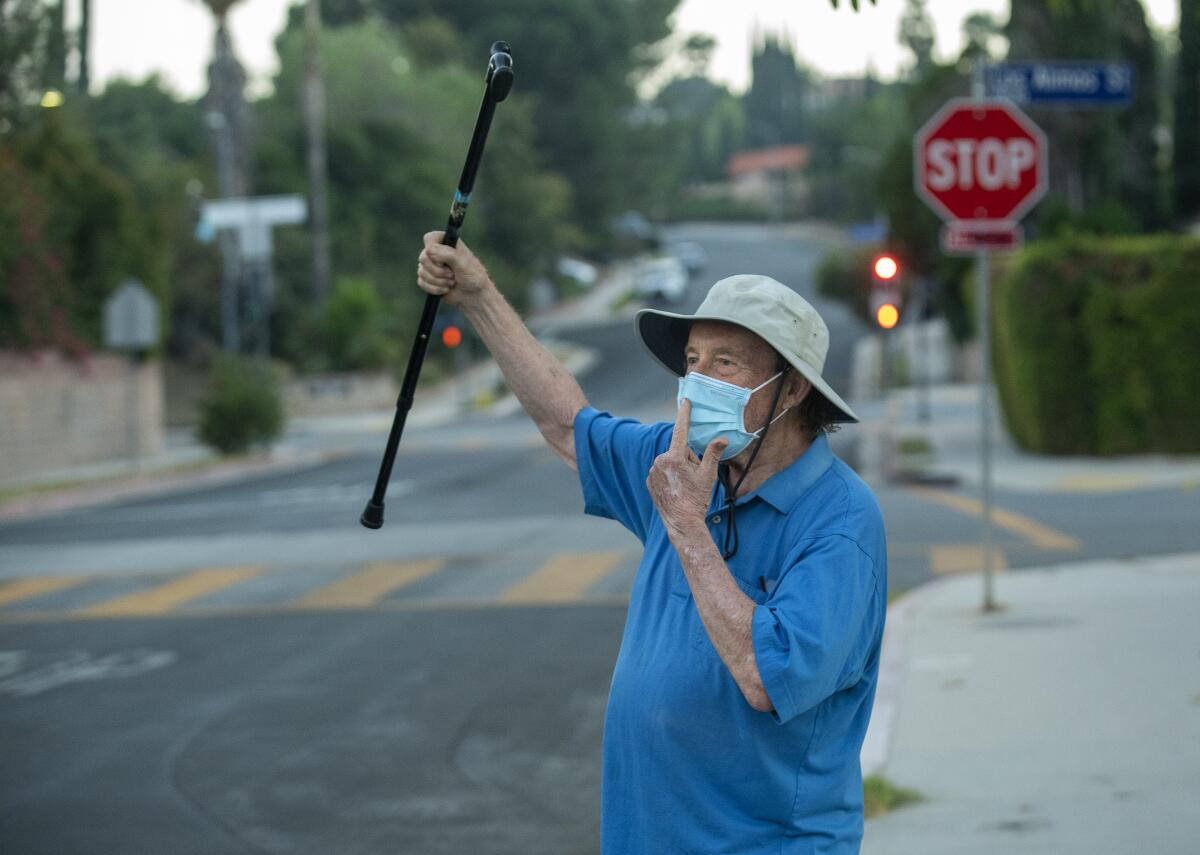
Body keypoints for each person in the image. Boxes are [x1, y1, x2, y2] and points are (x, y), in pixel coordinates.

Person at [417, 233, 887, 855]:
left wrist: (688, 528)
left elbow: (765, 676)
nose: (696, 381)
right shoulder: (679, 463)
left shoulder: (840, 520)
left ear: (793, 389)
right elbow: (567, 424)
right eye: (692, 360)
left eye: (725, 363)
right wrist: (477, 295)